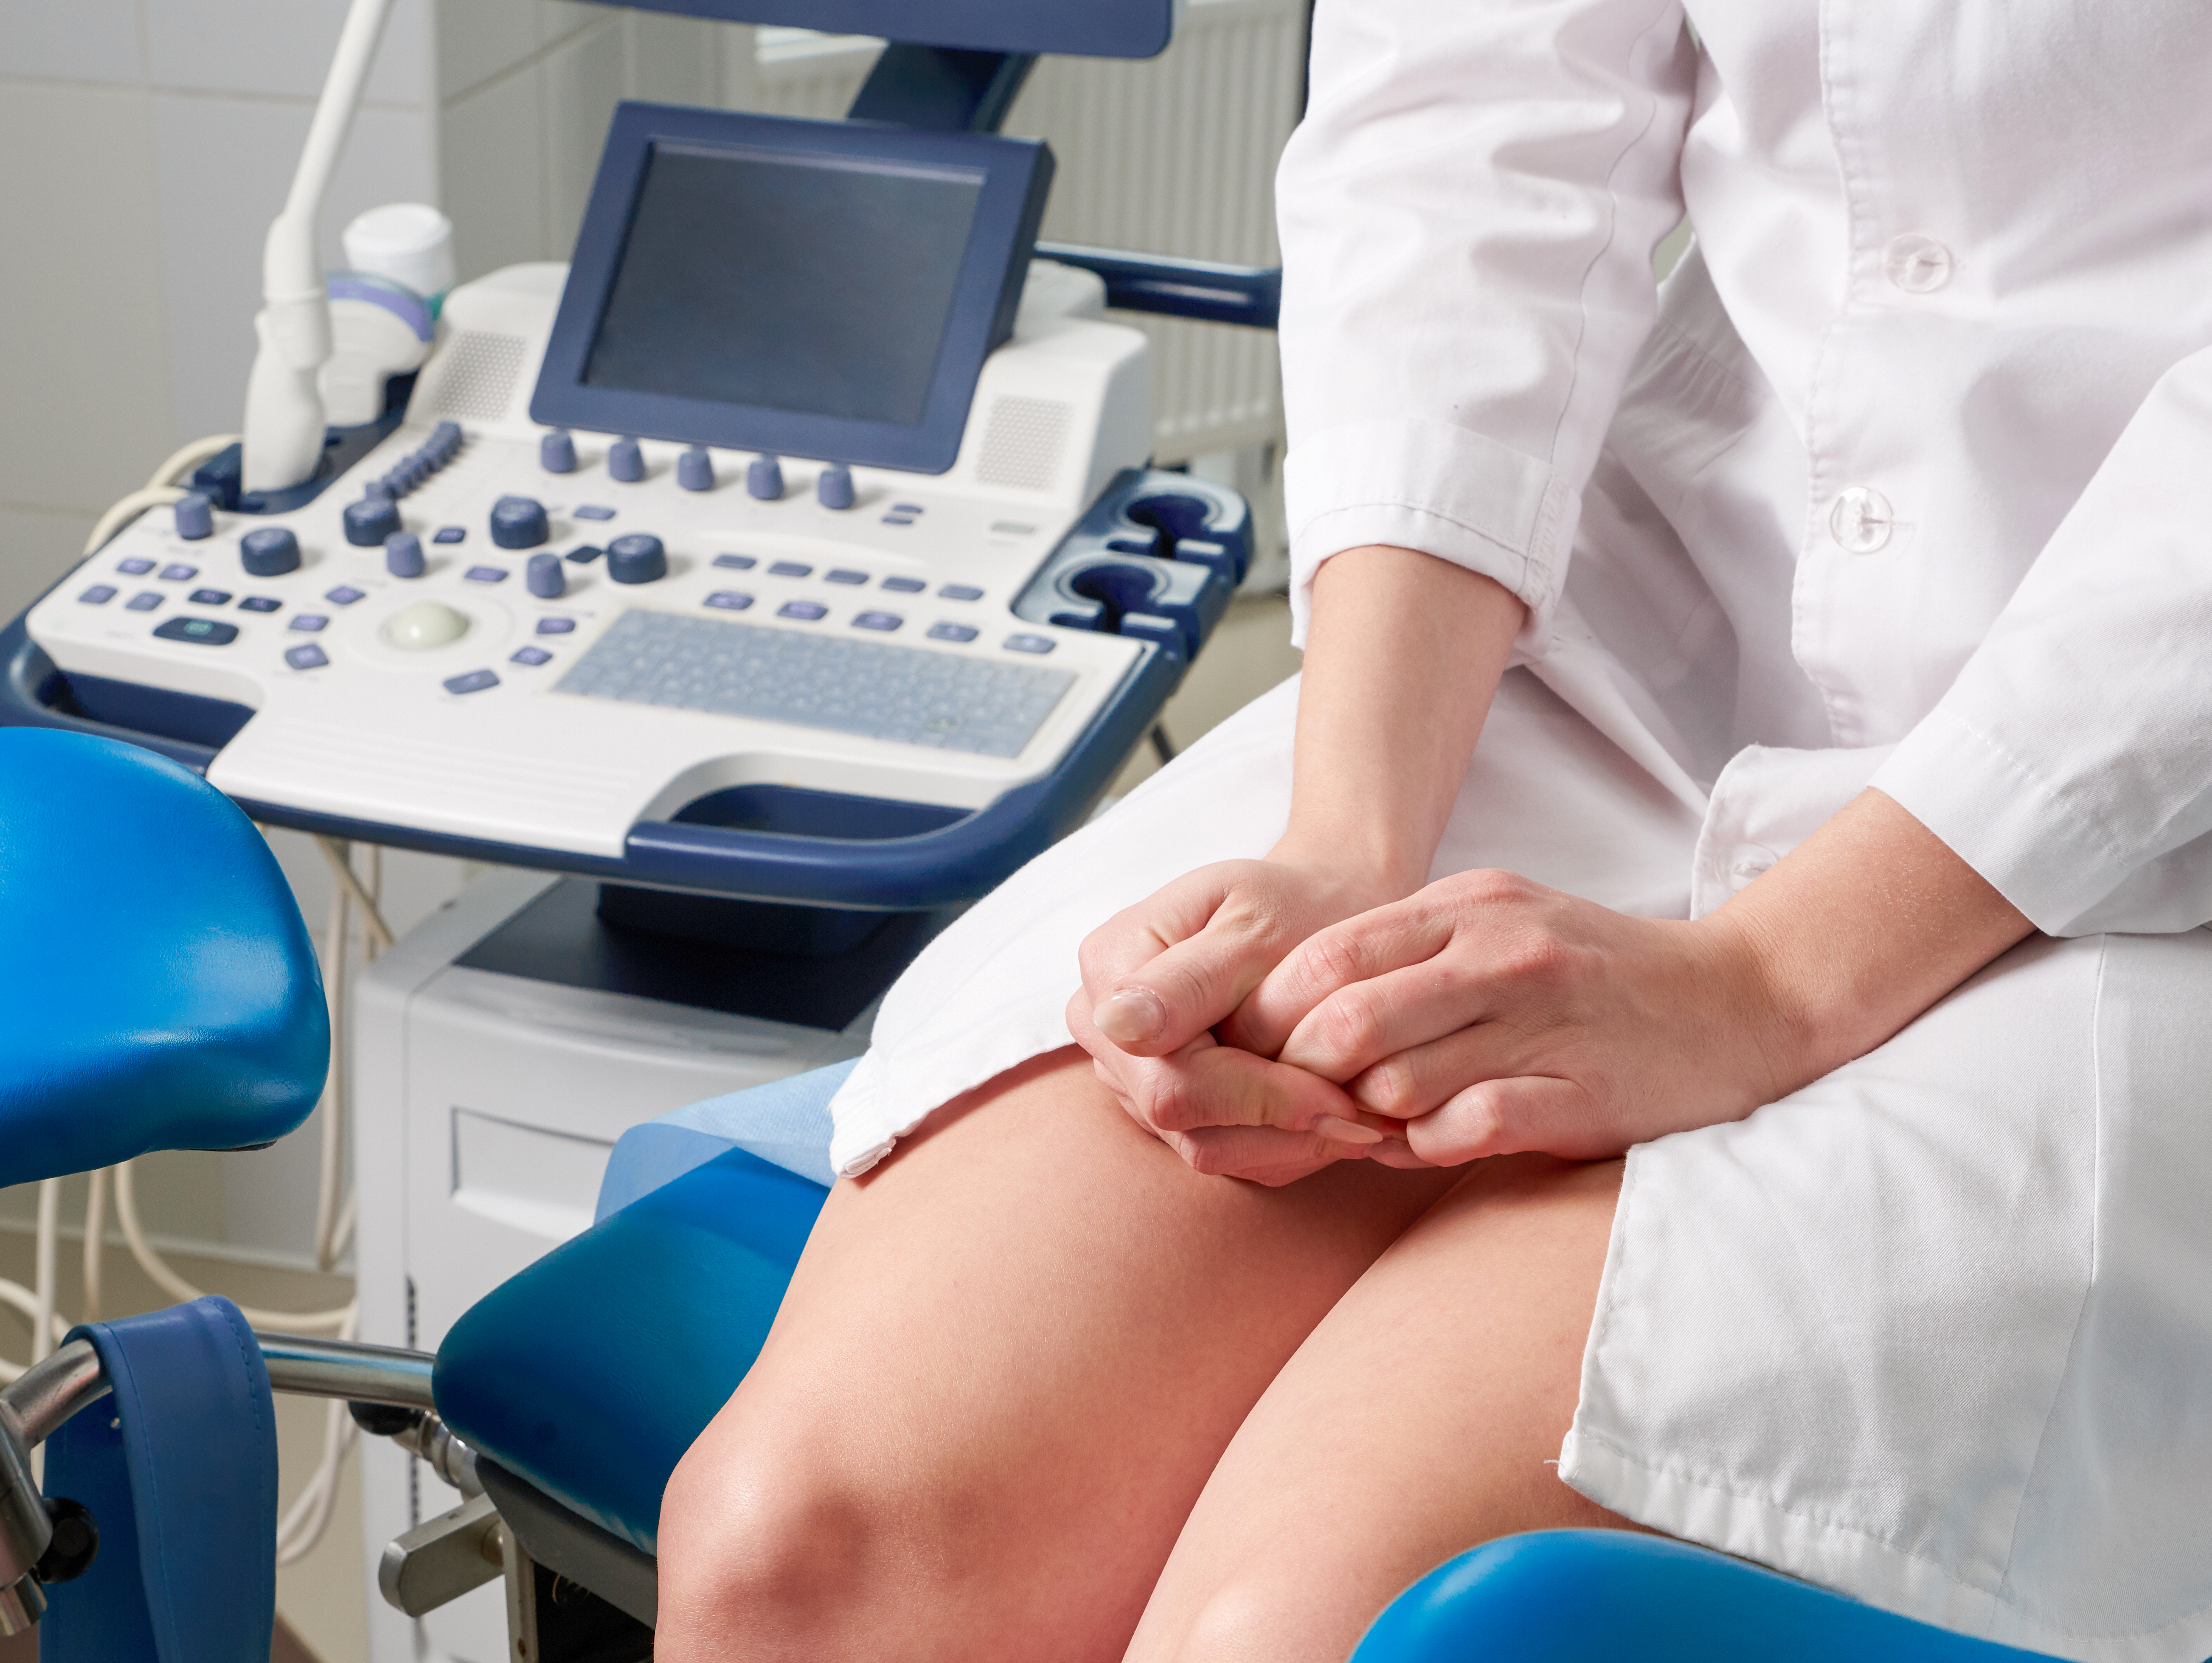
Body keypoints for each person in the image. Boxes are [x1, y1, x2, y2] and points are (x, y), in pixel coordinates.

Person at [653, 3, 2212, 1659]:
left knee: (1298, 1630)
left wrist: (1768, 980)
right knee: (799, 1548)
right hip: (1660, 632)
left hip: (2140, 819)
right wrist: (1351, 831)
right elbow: (1478, 108)